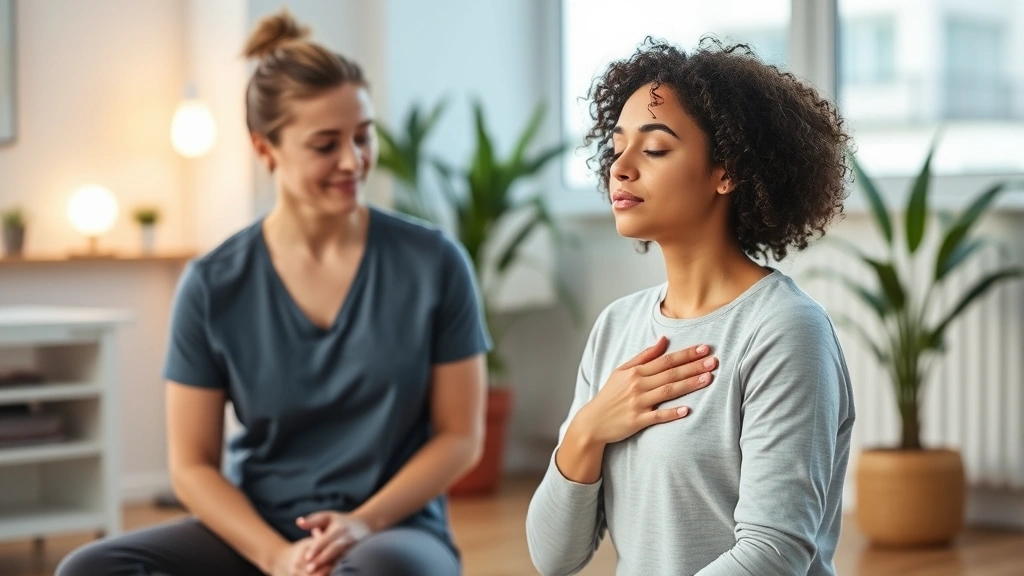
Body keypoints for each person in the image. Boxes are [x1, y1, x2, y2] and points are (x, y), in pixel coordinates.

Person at [57, 10, 489, 576]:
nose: (352, 161)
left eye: (363, 136)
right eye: (324, 144)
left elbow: (461, 436)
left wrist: (363, 522)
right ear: (265, 149)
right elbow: (192, 466)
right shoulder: (213, 284)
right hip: (256, 531)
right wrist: (276, 556)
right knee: (88, 569)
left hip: (392, 531)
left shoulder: (434, 263)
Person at [526, 38, 856, 576]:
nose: (621, 169)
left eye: (654, 149)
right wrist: (588, 428)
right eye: (617, 148)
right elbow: (552, 556)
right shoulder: (617, 327)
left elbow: (774, 554)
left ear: (726, 172)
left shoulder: (785, 331)